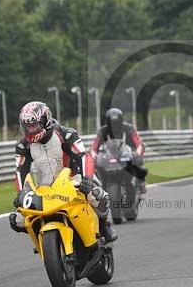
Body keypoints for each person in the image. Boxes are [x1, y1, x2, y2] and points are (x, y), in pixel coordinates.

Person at [8, 101, 117, 242]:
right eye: (27, 127)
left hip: (72, 180)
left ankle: (104, 226)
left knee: (98, 196)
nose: (30, 130)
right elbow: (20, 171)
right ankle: (42, 237)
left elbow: (83, 157)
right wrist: (21, 193)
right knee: (16, 220)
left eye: (34, 125)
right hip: (44, 189)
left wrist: (87, 180)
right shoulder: (23, 145)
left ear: (45, 121)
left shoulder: (66, 134)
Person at [86, 108, 148, 193]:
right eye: (112, 123)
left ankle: (141, 182)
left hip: (128, 151)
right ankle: (98, 186)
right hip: (110, 154)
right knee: (95, 166)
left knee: (138, 162)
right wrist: (94, 156)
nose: (114, 126)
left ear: (121, 121)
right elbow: (94, 147)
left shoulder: (128, 128)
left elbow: (138, 143)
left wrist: (137, 153)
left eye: (116, 123)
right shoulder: (102, 131)